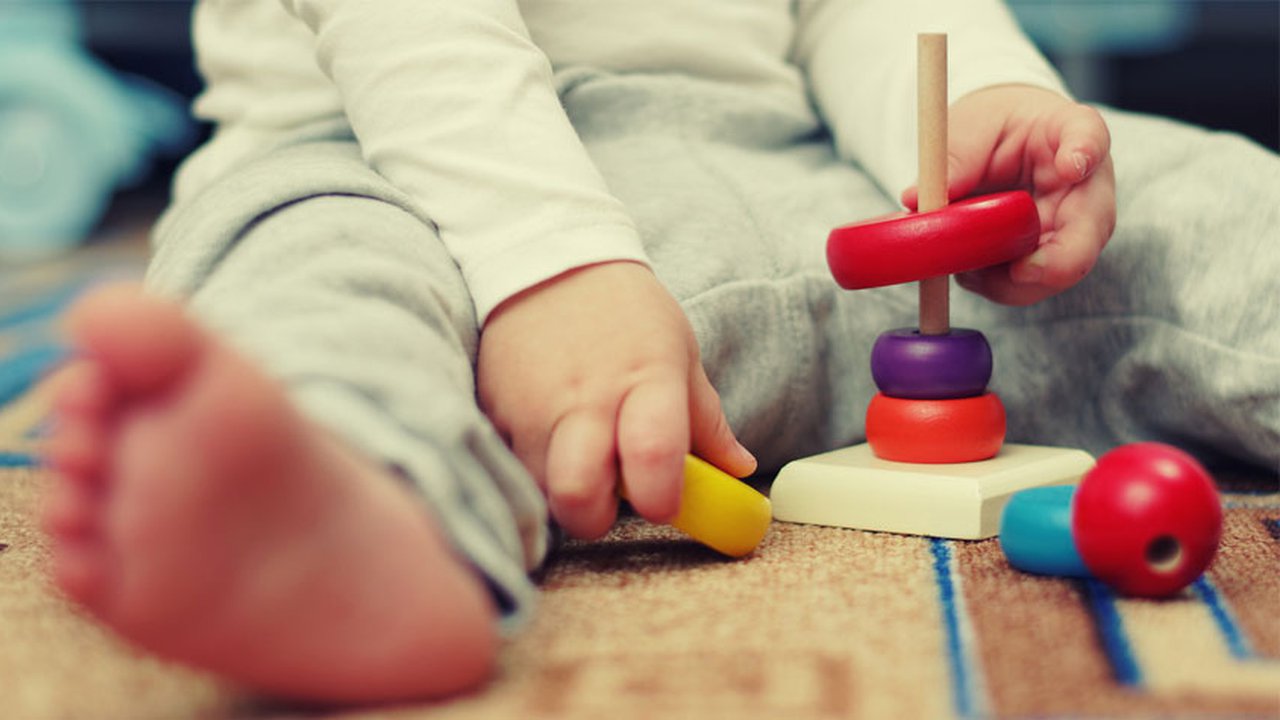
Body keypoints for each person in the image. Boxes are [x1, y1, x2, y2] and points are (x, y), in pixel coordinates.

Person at [39, 0, 1279, 705]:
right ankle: (353, 517)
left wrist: (969, 123)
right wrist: (550, 259)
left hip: (803, 178)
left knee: (1168, 194)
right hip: (403, 176)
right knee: (309, 280)